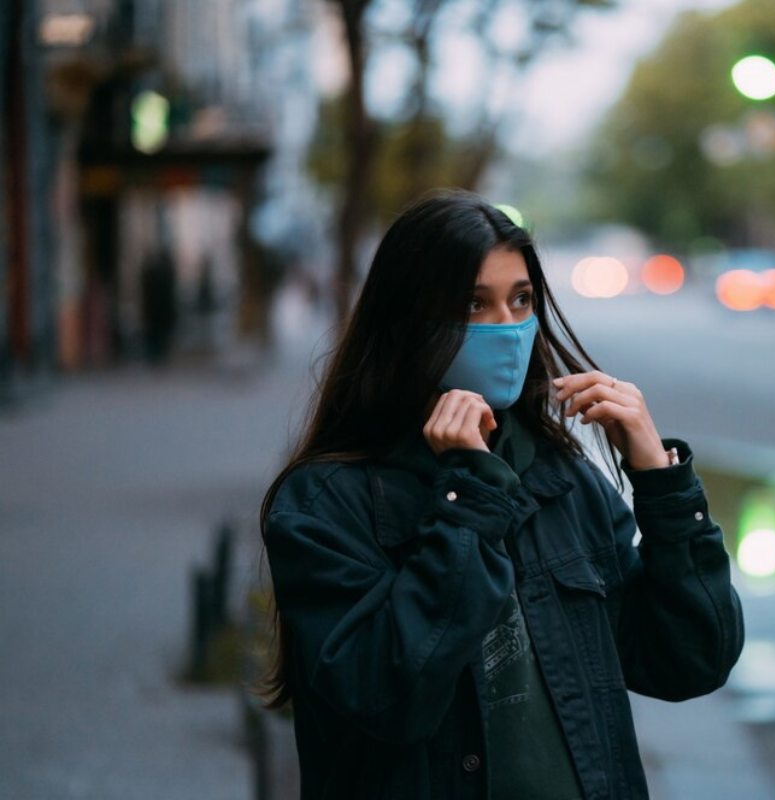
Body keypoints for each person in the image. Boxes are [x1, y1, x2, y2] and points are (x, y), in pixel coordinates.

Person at [253, 188, 745, 799]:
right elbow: (391, 697)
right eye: (472, 304)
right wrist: (468, 497)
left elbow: (691, 659)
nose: (508, 329)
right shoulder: (326, 501)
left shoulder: (562, 479)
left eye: (521, 301)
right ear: (407, 323)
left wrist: (661, 482)